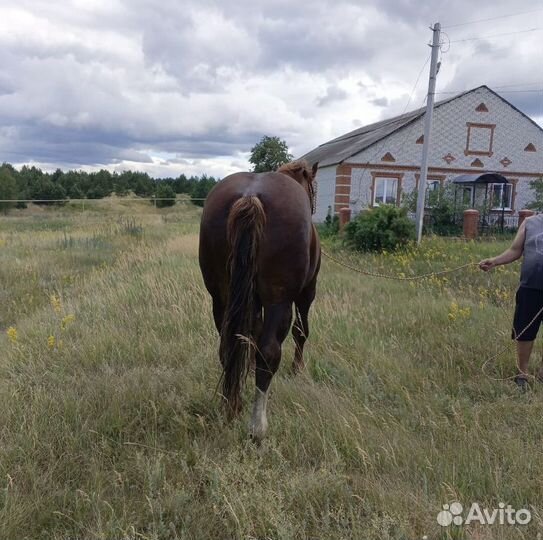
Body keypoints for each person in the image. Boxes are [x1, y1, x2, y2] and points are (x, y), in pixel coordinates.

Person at [479, 214, 543, 389]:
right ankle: (521, 374)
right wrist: (494, 261)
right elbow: (515, 250)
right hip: (530, 288)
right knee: (524, 332)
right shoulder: (530, 223)